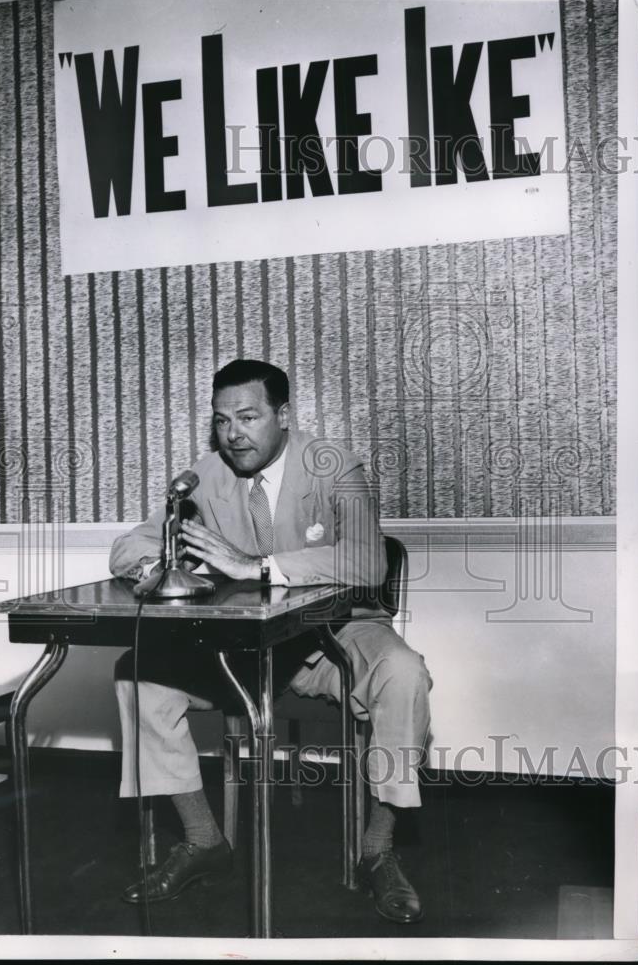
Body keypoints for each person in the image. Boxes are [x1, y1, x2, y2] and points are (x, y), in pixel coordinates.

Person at [109, 358, 432, 924]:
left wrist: (257, 566)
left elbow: (368, 559)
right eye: (221, 420)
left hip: (336, 637)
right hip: (247, 651)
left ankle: (378, 851)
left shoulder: (334, 465)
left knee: (403, 673)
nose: (234, 433)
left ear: (282, 415)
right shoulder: (206, 474)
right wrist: (147, 567)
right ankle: (204, 841)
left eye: (249, 416)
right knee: (138, 675)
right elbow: (131, 543)